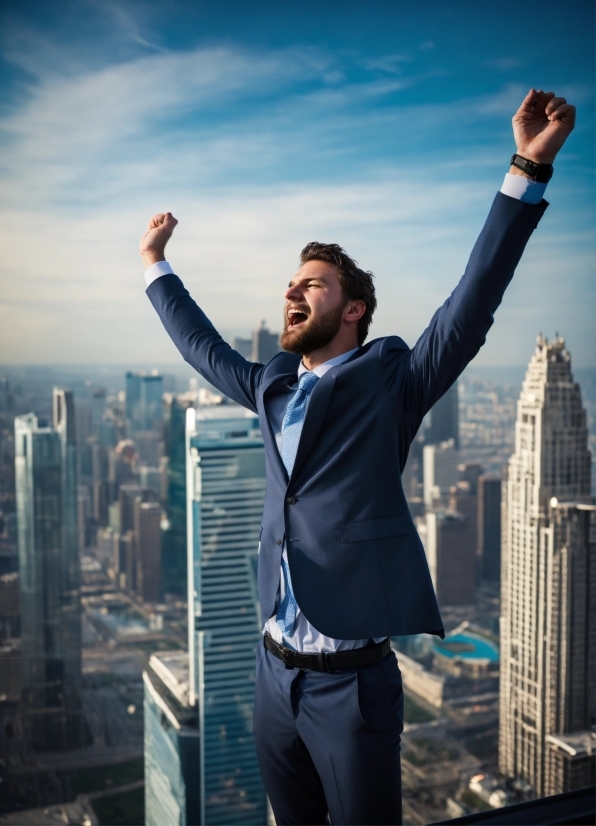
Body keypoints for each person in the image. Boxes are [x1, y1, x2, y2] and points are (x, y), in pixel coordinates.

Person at [139, 89, 575, 825]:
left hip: (352, 689)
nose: (291, 291)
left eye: (311, 283)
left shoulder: (392, 386)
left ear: (353, 310)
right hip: (272, 674)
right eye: (290, 284)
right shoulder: (272, 384)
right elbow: (202, 346)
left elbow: (472, 301)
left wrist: (525, 169)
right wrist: (155, 264)